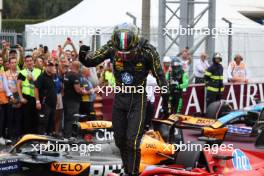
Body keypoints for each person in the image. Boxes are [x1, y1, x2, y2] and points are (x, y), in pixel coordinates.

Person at [79, 23, 168, 176]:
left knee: (132, 142)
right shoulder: (111, 46)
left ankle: (132, 173)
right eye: (120, 54)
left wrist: (166, 104)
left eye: (128, 54)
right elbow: (91, 61)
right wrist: (82, 54)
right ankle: (128, 170)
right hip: (120, 98)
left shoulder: (148, 51)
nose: (124, 56)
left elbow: (161, 78)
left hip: (138, 99)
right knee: (119, 140)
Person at [17, 55, 42, 134]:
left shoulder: (38, 71)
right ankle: (27, 136)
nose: (29, 62)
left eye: (30, 60)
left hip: (36, 97)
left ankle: (34, 135)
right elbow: (18, 85)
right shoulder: (22, 72)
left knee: (35, 117)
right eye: (27, 61)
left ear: (33, 62)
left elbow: (41, 84)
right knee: (26, 117)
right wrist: (21, 98)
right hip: (26, 97)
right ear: (25, 62)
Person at [63, 61, 88, 138]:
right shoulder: (75, 76)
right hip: (73, 101)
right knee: (73, 119)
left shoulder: (67, 74)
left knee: (67, 118)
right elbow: (77, 90)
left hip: (66, 99)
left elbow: (64, 87)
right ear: (78, 67)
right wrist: (83, 91)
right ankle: (70, 136)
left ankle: (66, 135)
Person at [34, 60, 57, 135]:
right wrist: (37, 101)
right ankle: (41, 140)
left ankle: (49, 139)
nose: (51, 67)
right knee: (43, 122)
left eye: (52, 66)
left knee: (51, 122)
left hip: (52, 104)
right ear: (45, 67)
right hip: (45, 104)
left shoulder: (52, 76)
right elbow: (36, 88)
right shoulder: (41, 77)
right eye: (49, 66)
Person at [5, 57, 22, 140]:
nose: (14, 64)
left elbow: (23, 85)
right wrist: (11, 96)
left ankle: (17, 135)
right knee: (10, 117)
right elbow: (5, 87)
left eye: (15, 62)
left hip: (18, 96)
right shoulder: (5, 73)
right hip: (9, 97)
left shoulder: (20, 73)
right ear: (9, 64)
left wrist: (20, 97)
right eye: (12, 62)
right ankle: (10, 135)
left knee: (18, 117)